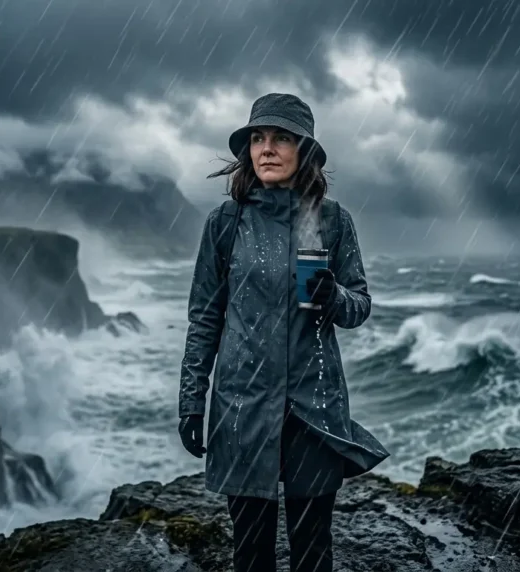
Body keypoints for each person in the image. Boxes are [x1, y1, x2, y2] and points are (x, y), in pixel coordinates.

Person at [177, 92, 390, 572]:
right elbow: (205, 318)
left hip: (313, 406)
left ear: (305, 151)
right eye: (258, 138)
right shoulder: (225, 223)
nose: (267, 148)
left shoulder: (333, 221)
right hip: (241, 404)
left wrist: (332, 295)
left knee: (312, 548)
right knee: (250, 552)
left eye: (281, 138)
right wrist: (191, 400)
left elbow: (359, 306)